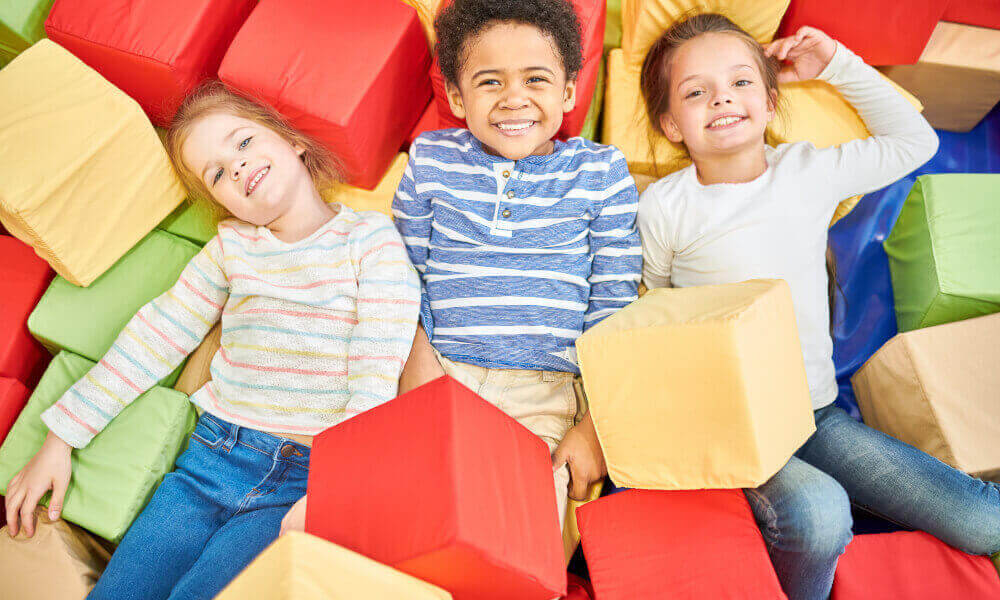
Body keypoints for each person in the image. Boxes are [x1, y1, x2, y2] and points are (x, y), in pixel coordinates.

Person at [3, 82, 420, 600]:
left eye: (242, 143)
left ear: (291, 140)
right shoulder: (232, 249)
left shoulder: (371, 240)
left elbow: (376, 368)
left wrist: (338, 486)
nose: (237, 167)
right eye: (217, 173)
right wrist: (60, 438)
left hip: (306, 477)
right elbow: (156, 335)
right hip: (209, 460)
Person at [636, 14, 1000, 600]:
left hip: (816, 415)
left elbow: (916, 143)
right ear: (670, 123)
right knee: (822, 515)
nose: (722, 99)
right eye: (696, 92)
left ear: (771, 100)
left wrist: (836, 65)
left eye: (740, 83)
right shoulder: (666, 207)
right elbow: (650, 305)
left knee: (985, 521)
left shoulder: (805, 172)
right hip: (733, 429)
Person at [394, 0, 642, 528]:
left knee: (516, 541)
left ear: (569, 92)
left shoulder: (601, 171)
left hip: (542, 390)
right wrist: (415, 359)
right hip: (438, 372)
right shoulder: (432, 159)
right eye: (490, 83)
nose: (514, 99)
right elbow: (399, 269)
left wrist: (599, 422)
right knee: (408, 525)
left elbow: (615, 303)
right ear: (458, 98)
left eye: (536, 79)